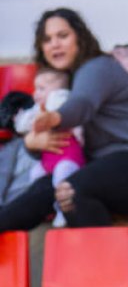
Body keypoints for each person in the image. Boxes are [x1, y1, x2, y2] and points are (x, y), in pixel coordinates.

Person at [0, 9, 128, 231]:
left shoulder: (97, 67)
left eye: (63, 36)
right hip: (113, 164)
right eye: (47, 39)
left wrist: (54, 117)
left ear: (80, 37)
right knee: (48, 187)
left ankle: (107, 265)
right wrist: (31, 144)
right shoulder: (60, 83)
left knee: (72, 190)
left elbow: (82, 105)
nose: (54, 44)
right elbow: (56, 146)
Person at [13, 68, 84, 226]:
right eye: (35, 88)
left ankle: (61, 212)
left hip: (68, 157)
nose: (35, 94)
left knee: (62, 178)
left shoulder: (63, 101)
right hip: (48, 160)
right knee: (35, 175)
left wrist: (39, 114)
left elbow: (56, 107)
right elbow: (23, 125)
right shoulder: (39, 108)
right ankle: (48, 209)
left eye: (41, 89)